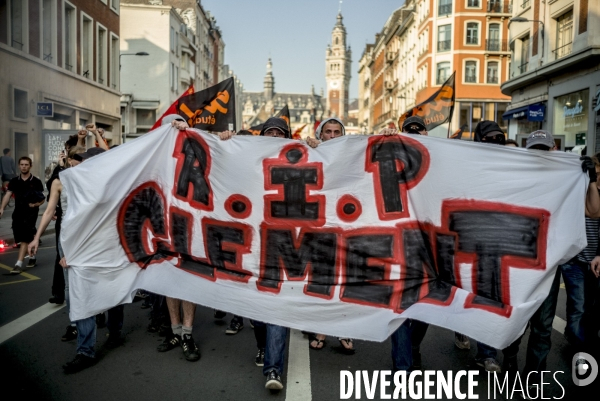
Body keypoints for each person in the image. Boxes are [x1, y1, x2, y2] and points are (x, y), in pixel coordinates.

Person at [522, 130, 600, 383]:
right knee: (515, 322)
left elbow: (593, 211)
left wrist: (590, 179)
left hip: (551, 266)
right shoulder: (518, 179)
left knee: (543, 327)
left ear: (554, 150)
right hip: (519, 265)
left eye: (545, 150)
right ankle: (510, 356)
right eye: (536, 151)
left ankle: (534, 377)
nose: (541, 156)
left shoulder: (569, 179)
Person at [304, 117, 355, 354]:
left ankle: (344, 329)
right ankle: (322, 329)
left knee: (344, 281)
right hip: (320, 229)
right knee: (323, 281)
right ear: (320, 134)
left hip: (346, 228)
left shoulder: (353, 154)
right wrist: (306, 146)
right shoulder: (311, 151)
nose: (332, 136)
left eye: (337, 132)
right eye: (328, 132)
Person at [0, 156, 45, 274]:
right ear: (19, 166)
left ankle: (18, 264)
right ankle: (32, 256)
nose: (24, 166)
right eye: (22, 164)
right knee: (19, 236)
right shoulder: (14, 181)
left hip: (30, 213)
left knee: (25, 237)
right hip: (18, 213)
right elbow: (8, 195)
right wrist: (1, 208)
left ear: (30, 166)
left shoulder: (36, 181)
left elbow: (42, 199)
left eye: (26, 164)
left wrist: (35, 205)